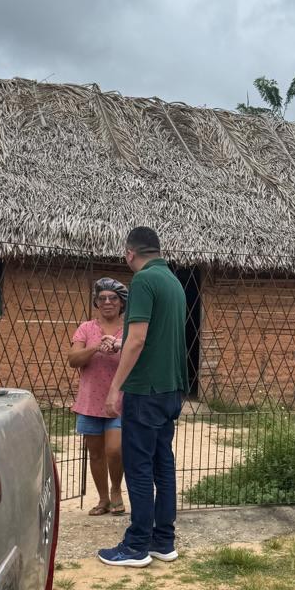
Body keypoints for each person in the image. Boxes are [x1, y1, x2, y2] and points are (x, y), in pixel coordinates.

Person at [98, 226, 187, 567]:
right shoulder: (174, 283)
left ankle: (135, 546)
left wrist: (115, 387)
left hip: (145, 390)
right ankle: (163, 541)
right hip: (171, 389)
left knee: (138, 467)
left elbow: (137, 339)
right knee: (163, 464)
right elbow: (155, 336)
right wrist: (120, 342)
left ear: (130, 254)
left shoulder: (143, 283)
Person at [68, 277, 129, 516]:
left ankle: (116, 490)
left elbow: (137, 356)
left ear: (121, 303)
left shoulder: (129, 330)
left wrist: (116, 345)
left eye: (113, 298)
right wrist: (96, 347)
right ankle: (103, 499)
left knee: (114, 449)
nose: (107, 302)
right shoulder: (86, 329)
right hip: (89, 400)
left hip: (118, 401)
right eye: (102, 298)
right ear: (96, 301)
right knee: (94, 453)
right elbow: (73, 360)